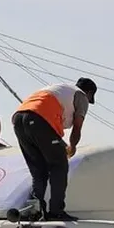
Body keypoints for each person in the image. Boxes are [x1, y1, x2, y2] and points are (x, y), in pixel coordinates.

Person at [10, 78, 97, 220]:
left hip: (19, 120)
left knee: (39, 171)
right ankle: (56, 211)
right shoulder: (81, 96)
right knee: (59, 165)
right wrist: (72, 146)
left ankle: (35, 210)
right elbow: (77, 126)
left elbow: (48, 134)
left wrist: (62, 146)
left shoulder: (59, 90)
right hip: (39, 119)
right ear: (89, 92)